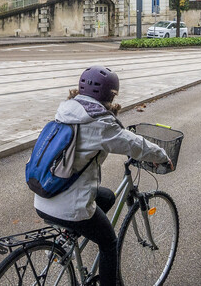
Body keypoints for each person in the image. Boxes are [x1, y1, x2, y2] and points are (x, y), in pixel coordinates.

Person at [34, 65, 171, 286]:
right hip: (68, 207)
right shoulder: (100, 122)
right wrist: (162, 155)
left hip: (44, 195)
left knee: (107, 197)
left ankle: (72, 234)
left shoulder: (67, 111)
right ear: (111, 95)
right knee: (109, 243)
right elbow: (133, 143)